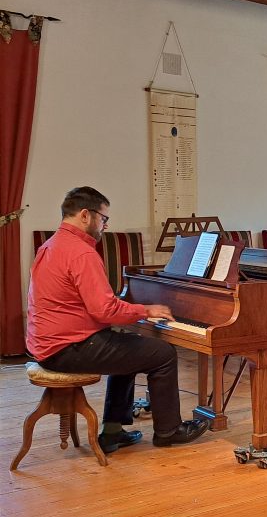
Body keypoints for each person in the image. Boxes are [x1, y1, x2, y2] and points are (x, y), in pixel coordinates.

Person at [26, 186, 208, 454]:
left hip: (47, 343)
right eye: (104, 219)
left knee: (131, 346)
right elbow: (104, 310)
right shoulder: (82, 252)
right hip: (68, 348)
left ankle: (113, 432)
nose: (105, 226)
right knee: (163, 353)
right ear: (86, 215)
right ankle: (169, 431)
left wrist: (132, 313)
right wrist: (146, 310)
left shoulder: (51, 245)